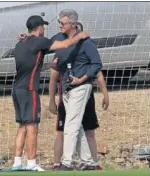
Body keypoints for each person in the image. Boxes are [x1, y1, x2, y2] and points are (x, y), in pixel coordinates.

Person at [12, 15, 90, 171]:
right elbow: (66, 43)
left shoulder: (20, 44)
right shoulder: (39, 41)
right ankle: (32, 163)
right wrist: (80, 35)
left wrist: (50, 64)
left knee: (22, 126)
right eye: (43, 26)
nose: (44, 29)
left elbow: (33, 60)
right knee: (32, 126)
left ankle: (17, 162)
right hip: (29, 90)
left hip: (16, 89)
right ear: (39, 28)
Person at [49, 22, 109, 170]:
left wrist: (105, 94)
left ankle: (68, 162)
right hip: (67, 92)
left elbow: (97, 69)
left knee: (79, 128)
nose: (60, 26)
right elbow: (53, 76)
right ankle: (86, 162)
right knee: (71, 129)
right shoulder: (62, 45)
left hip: (83, 91)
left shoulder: (87, 45)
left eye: (63, 23)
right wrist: (51, 100)